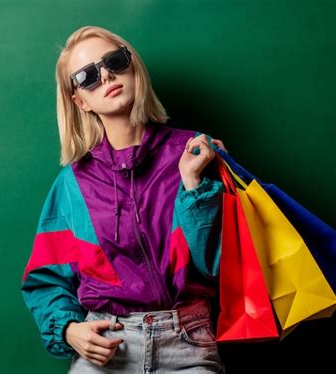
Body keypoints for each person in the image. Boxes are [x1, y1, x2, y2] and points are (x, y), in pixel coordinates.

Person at [21, 25, 229, 373]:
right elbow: (45, 278)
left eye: (114, 61)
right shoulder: (73, 184)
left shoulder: (195, 153)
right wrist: (70, 330)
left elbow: (218, 267)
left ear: (133, 66)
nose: (106, 76)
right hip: (106, 346)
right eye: (87, 77)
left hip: (188, 344)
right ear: (79, 101)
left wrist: (194, 185)